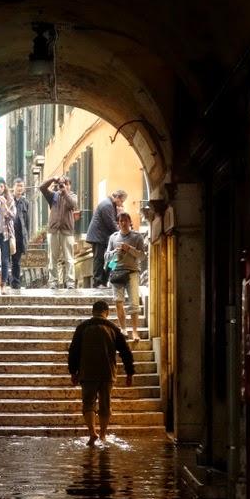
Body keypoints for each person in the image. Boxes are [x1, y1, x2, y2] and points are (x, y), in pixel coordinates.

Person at [68, 299, 134, 445]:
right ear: (107, 312)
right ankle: (103, 435)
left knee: (88, 403)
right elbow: (126, 352)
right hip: (107, 373)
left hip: (87, 372)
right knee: (105, 405)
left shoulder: (82, 327)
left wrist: (73, 371)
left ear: (93, 312)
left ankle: (92, 433)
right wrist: (129, 373)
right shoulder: (113, 329)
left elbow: (73, 351)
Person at [104, 212, 145, 342]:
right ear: (118, 223)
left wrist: (130, 249)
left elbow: (142, 256)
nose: (123, 223)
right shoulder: (113, 237)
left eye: (125, 220)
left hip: (132, 272)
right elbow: (106, 256)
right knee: (118, 301)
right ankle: (123, 329)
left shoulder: (137, 237)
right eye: (120, 221)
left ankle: (134, 332)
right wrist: (114, 252)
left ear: (129, 221)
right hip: (116, 271)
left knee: (134, 303)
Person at [40, 175, 78, 289]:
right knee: (53, 258)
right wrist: (53, 179)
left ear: (69, 185)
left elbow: (73, 205)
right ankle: (53, 282)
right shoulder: (53, 196)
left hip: (67, 231)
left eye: (66, 183)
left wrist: (64, 192)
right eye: (62, 184)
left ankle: (70, 282)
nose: (63, 185)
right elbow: (42, 187)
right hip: (53, 231)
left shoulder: (72, 196)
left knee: (69, 258)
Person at [85, 189, 128, 288]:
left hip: (104, 237)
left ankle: (104, 280)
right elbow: (111, 223)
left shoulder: (110, 205)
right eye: (121, 201)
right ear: (117, 197)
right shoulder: (107, 205)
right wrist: (122, 234)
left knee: (112, 259)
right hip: (98, 237)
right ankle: (98, 282)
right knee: (99, 259)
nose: (121, 204)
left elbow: (113, 221)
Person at [10, 177, 30, 293]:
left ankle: (15, 283)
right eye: (18, 186)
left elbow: (27, 221)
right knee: (6, 260)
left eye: (21, 186)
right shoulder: (9, 200)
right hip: (9, 234)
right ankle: (6, 281)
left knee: (16, 261)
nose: (19, 188)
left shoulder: (25, 202)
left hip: (19, 235)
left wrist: (26, 236)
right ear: (13, 187)